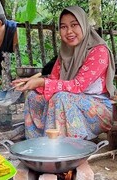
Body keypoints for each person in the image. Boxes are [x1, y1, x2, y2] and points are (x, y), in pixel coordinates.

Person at [11, 6, 115, 140]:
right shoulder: (65, 53)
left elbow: (77, 86)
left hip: (99, 110)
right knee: (33, 97)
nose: (69, 31)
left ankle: (65, 147)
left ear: (83, 24)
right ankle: (38, 143)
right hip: (70, 102)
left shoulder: (99, 51)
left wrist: (42, 82)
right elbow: (54, 80)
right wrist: (30, 83)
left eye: (74, 25)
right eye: (64, 27)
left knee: (61, 98)